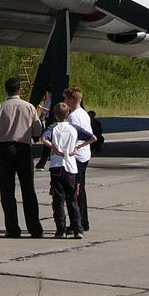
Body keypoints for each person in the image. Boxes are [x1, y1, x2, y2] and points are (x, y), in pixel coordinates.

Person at [0, 77, 44, 238]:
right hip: (23, 148)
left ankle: (12, 228)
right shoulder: (29, 107)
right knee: (28, 189)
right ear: (20, 90)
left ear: (6, 90)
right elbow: (38, 131)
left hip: (4, 149)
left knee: (7, 190)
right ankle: (34, 228)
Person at [41, 102, 85, 238]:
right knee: (72, 198)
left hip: (57, 165)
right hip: (71, 166)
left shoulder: (53, 128)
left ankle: (61, 229)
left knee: (58, 200)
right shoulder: (73, 127)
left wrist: (53, 147)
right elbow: (92, 137)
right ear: (68, 114)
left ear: (54, 114)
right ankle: (78, 228)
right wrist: (77, 147)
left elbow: (43, 138)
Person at [64, 87, 94, 231]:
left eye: (65, 99)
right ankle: (83, 220)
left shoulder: (73, 117)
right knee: (80, 189)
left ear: (71, 100)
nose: (64, 102)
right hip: (84, 154)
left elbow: (72, 136)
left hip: (77, 157)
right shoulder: (83, 113)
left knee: (75, 190)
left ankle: (79, 222)